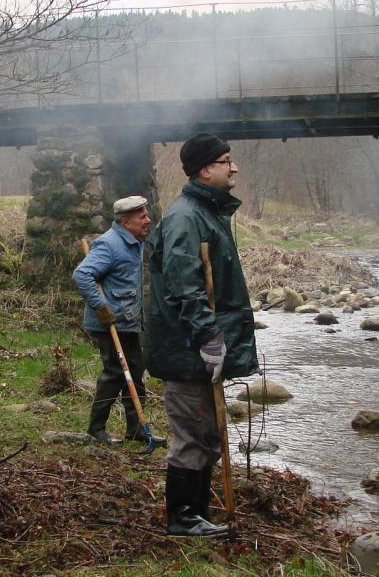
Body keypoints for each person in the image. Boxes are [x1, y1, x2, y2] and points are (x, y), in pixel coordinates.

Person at [146, 133, 257, 537]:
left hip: (197, 349)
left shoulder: (206, 212)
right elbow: (183, 285)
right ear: (205, 169)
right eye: (227, 161)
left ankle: (199, 511)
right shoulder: (185, 217)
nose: (234, 167)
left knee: (207, 434)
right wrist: (209, 336)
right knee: (193, 435)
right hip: (186, 349)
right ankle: (182, 518)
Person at [72, 195, 153, 445]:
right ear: (126, 222)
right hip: (110, 324)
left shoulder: (133, 241)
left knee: (135, 372)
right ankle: (96, 429)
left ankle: (136, 430)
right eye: (143, 217)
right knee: (114, 373)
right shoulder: (108, 244)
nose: (148, 220)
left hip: (127, 321)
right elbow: (82, 275)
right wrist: (101, 307)